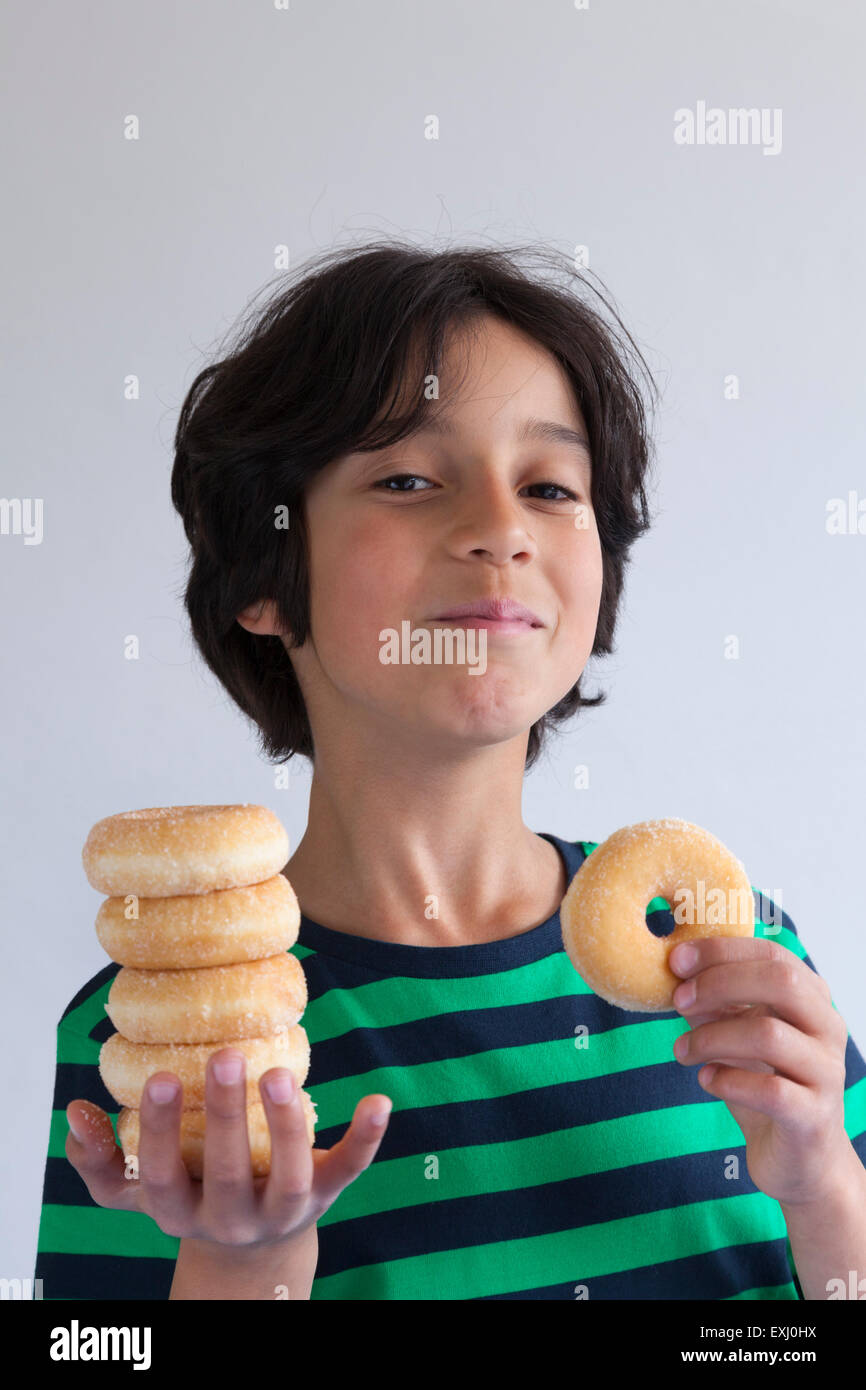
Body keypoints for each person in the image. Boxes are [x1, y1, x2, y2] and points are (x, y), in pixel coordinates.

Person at [35, 241, 866, 1300]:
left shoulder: (726, 954)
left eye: (548, 485)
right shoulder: (163, 1031)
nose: (500, 529)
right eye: (408, 478)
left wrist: (824, 1186)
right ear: (262, 578)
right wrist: (243, 1263)